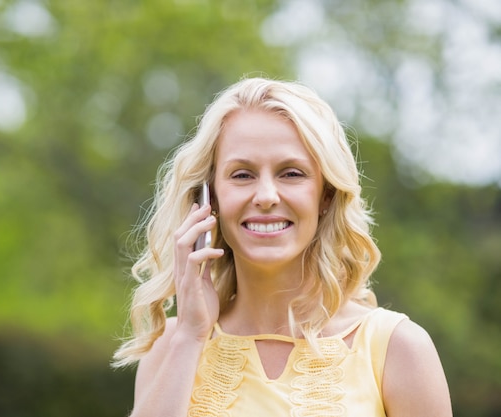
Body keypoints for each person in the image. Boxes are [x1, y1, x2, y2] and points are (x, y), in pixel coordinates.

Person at [113, 77, 452, 416]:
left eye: (291, 173)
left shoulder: (399, 348)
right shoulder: (171, 345)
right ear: (210, 197)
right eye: (242, 174)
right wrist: (190, 336)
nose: (265, 197)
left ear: (326, 195)